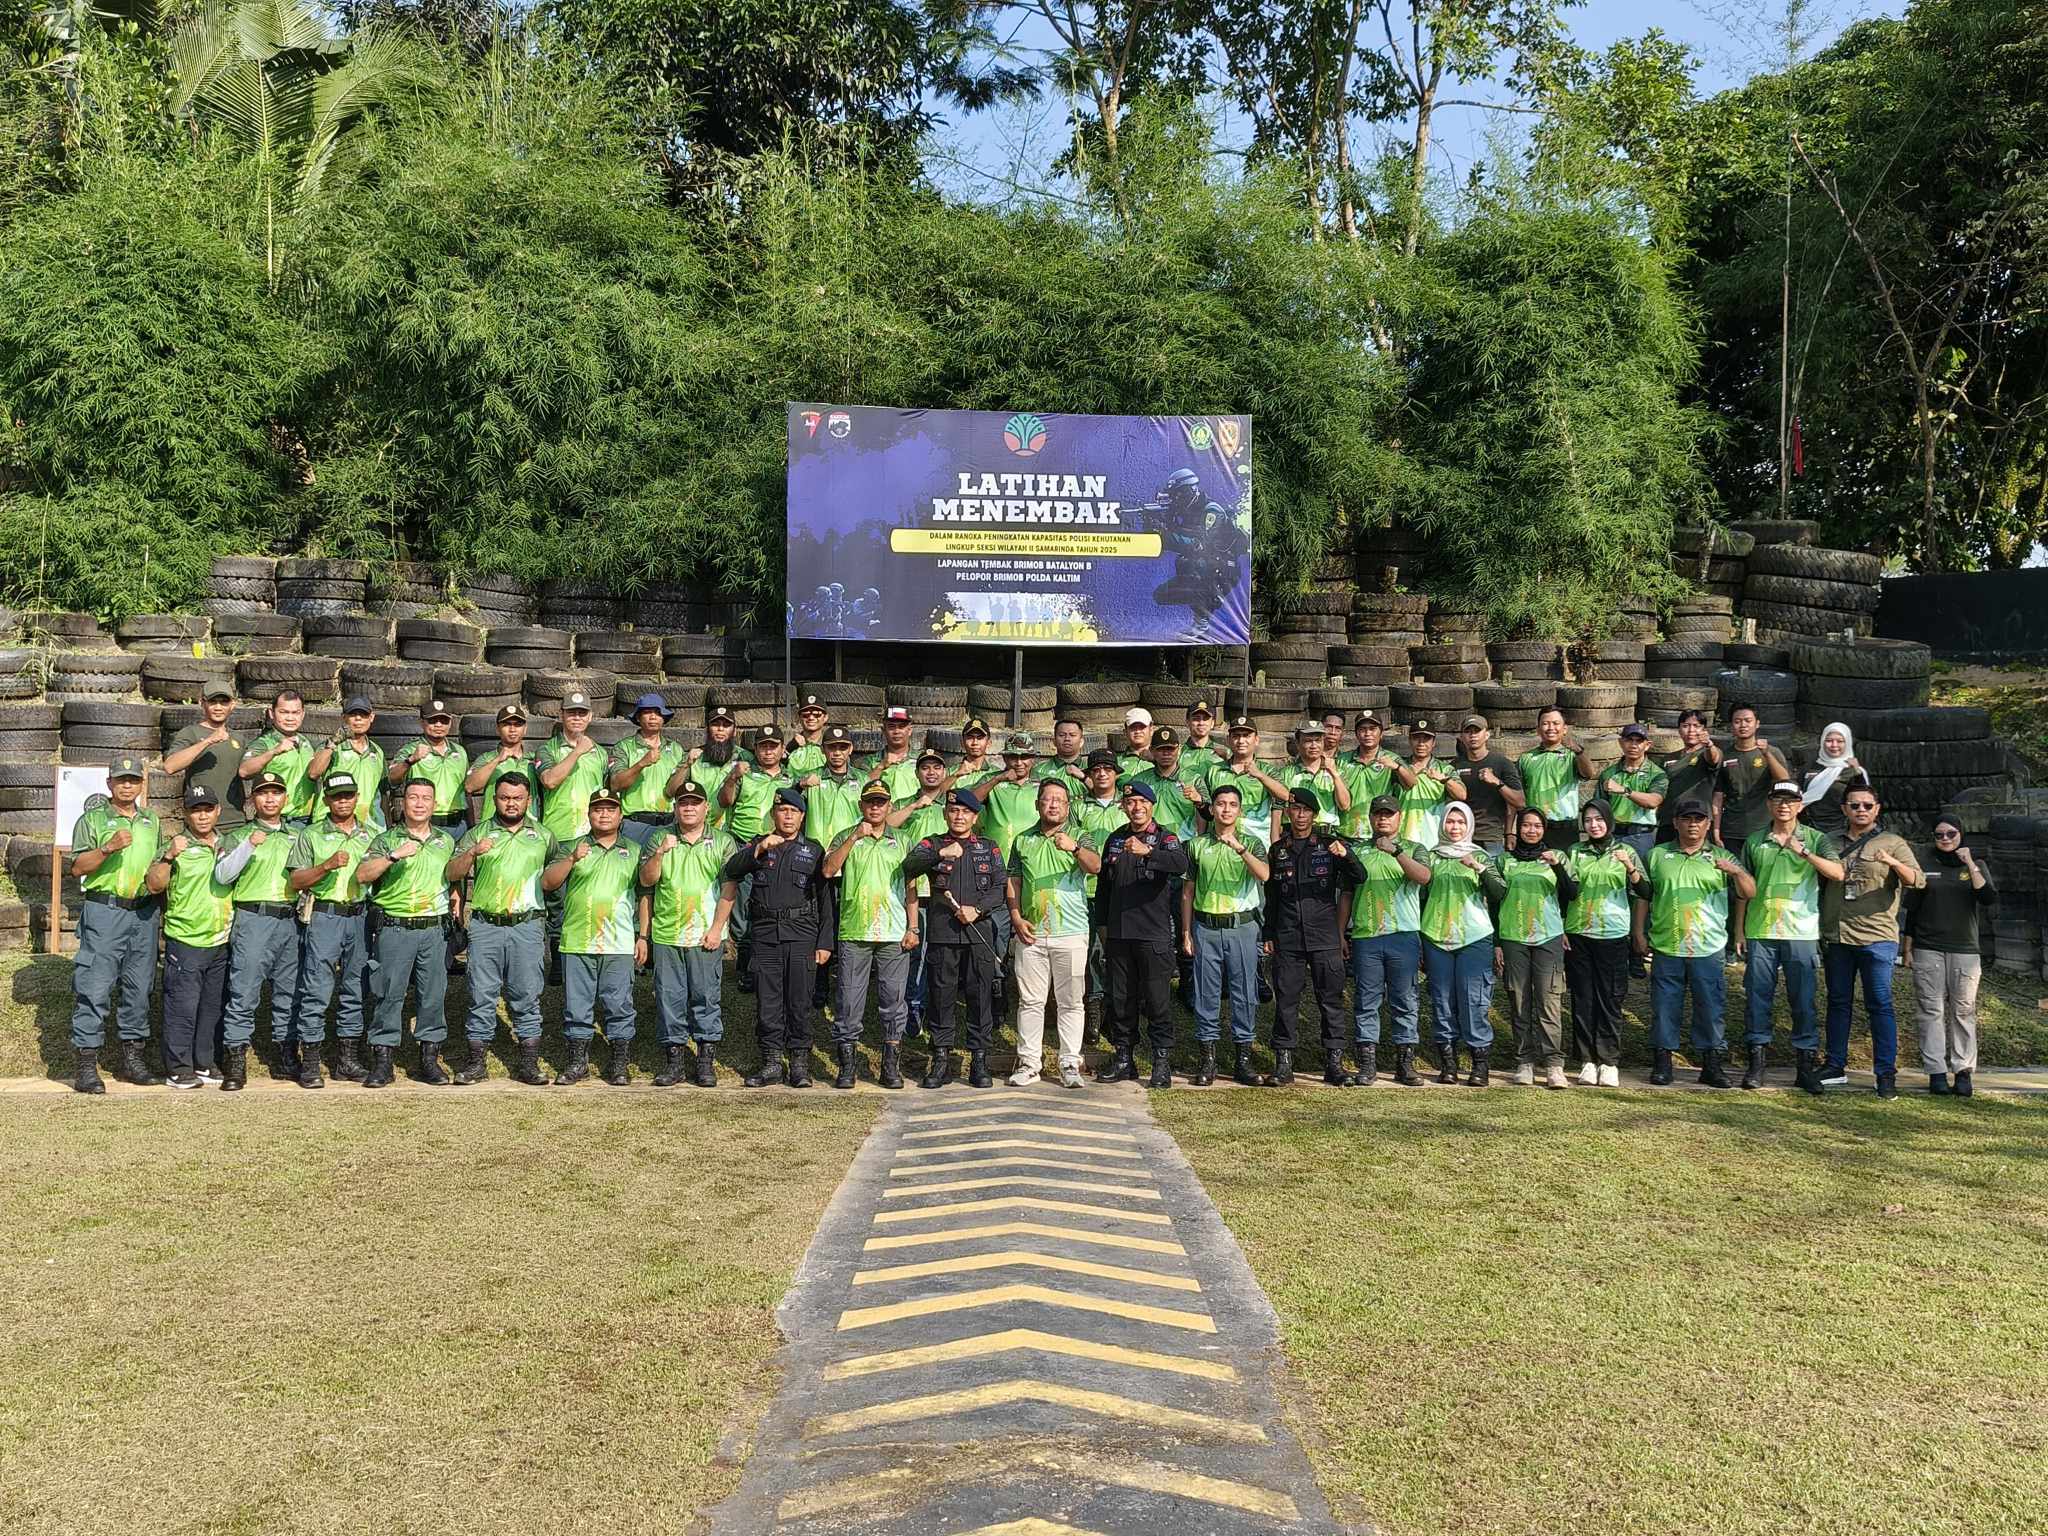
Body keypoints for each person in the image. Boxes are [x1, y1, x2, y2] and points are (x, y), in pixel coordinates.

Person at [445, 777, 560, 1086]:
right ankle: (476, 1064)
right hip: (486, 926)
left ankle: (528, 1064)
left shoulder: (544, 836)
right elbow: (451, 872)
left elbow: (555, 875)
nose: (511, 803)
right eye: (505, 797)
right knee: (480, 995)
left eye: (517, 798)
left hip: (527, 925)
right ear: (494, 799)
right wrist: (472, 853)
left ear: (528, 800)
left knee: (527, 995)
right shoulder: (478, 833)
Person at [1632, 797, 1753, 1088]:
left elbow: (1749, 892)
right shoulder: (1657, 855)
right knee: (1664, 1007)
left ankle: (1712, 1064)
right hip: (1667, 944)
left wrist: (1736, 872)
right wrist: (1638, 932)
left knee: (1711, 1007)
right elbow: (1643, 896)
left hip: (1707, 946)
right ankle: (1663, 1063)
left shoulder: (1721, 856)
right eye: (1686, 818)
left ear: (1708, 824)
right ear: (1675, 823)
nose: (1693, 824)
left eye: (1699, 819)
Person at [1733, 781, 1846, 1092]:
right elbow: (1743, 888)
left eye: (1791, 800)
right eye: (1778, 800)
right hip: (1761, 929)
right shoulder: (1755, 840)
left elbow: (1837, 873)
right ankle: (1756, 1064)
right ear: (1769, 804)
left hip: (1801, 931)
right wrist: (1739, 930)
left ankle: (1805, 1067)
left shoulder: (1816, 838)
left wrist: (1804, 852)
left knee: (1803, 1000)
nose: (1784, 806)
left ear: (1800, 805)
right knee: (1757, 998)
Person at [1817, 784, 1922, 1098]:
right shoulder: (1829, 841)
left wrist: (1893, 863)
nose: (1861, 810)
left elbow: (1917, 880)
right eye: (1854, 805)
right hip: (1838, 934)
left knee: (1880, 1004)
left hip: (1877, 937)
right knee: (1838, 1002)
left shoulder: (1893, 842)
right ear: (1844, 809)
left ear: (1877, 809)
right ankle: (1834, 1066)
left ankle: (1885, 1073)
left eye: (1867, 805)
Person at [66, 755, 164, 1092]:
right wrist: (107, 848)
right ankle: (86, 1065)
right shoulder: (92, 819)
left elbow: (157, 866)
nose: (127, 785)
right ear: (109, 783)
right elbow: (77, 867)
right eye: (121, 779)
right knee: (95, 988)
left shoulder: (151, 820)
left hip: (144, 913)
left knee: (139, 989)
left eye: (133, 780)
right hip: (105, 911)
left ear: (141, 785)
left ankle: (132, 1060)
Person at [355, 777, 459, 1087]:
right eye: (413, 797)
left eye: (426, 798)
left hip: (434, 929)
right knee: (388, 994)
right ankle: (383, 1062)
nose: (419, 803)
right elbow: (362, 875)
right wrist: (393, 856)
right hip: (396, 927)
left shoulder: (446, 841)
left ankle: (428, 1061)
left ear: (435, 804)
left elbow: (453, 879)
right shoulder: (386, 840)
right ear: (404, 802)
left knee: (433, 997)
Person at [902, 787, 1007, 1087]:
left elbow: (999, 887)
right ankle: (941, 1060)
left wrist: (978, 909)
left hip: (978, 933)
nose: (959, 816)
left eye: (965, 812)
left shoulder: (989, 847)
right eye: (953, 811)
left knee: (980, 997)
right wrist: (940, 854)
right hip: (943, 933)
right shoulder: (933, 843)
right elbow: (908, 866)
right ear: (945, 814)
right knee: (941, 997)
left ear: (975, 817)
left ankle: (979, 1060)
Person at [724, 787, 828, 1088]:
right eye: (782, 810)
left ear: (802, 816)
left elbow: (825, 900)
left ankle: (799, 1064)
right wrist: (757, 849)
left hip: (802, 934)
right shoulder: (760, 844)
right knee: (768, 1001)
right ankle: (770, 1063)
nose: (788, 816)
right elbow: (731, 869)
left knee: (799, 1000)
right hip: (766, 933)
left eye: (794, 811)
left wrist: (825, 942)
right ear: (773, 814)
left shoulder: (814, 850)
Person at [1264, 787, 1367, 1088]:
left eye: (1306, 810)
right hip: (1288, 936)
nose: (1300, 815)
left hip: (1324, 936)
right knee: (1286, 1000)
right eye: (1295, 809)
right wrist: (1268, 933)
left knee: (1330, 1000)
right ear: (1288, 812)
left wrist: (1347, 855)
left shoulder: (1328, 845)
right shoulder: (1278, 850)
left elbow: (1359, 877)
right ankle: (1283, 1063)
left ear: (1314, 814)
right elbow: (1271, 897)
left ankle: (1334, 1064)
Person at [539, 787, 643, 1085]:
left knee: (619, 1004)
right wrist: (572, 858)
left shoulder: (634, 850)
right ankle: (577, 1062)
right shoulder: (573, 846)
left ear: (621, 815)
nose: (604, 814)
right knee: (577, 1006)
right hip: (578, 939)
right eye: (598, 809)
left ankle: (619, 1063)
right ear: (589, 814)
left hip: (619, 941)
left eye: (610, 809)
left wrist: (642, 936)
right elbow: (547, 882)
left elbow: (645, 893)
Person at [1006, 777, 1104, 1088]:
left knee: (1071, 1001)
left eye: (1059, 800)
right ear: (1037, 804)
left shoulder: (1080, 835)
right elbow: (1014, 881)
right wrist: (1016, 917)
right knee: (1030, 1001)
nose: (1053, 805)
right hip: (1032, 933)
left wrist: (1074, 847)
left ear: (1068, 806)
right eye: (1047, 799)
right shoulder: (1023, 839)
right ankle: (1029, 1063)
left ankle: (1070, 1062)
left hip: (1071, 932)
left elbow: (1096, 866)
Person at [639, 782, 738, 1087]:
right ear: (675, 808)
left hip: (704, 934)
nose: (689, 808)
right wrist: (659, 853)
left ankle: (705, 1062)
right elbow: (646, 881)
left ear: (706, 808)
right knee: (669, 998)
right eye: (683, 803)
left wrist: (717, 929)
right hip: (667, 933)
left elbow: (729, 888)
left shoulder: (722, 841)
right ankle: (675, 1062)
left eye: (695, 803)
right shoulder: (659, 837)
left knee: (706, 996)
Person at [1095, 782, 1191, 1087]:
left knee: (1157, 1001)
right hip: (1120, 933)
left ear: (1151, 805)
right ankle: (1124, 1059)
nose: (1136, 807)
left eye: (1141, 801)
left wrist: (1148, 851)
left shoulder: (1165, 838)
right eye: (1130, 802)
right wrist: (1102, 926)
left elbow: (1180, 864)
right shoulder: (1115, 839)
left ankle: (1161, 1062)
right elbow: (1104, 887)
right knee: (1121, 1000)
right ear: (1124, 807)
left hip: (1153, 934)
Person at [285, 773, 377, 1088]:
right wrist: (325, 866)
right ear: (326, 800)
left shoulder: (372, 834)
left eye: (348, 795)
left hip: (360, 915)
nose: (343, 801)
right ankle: (311, 1062)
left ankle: (347, 1060)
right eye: (337, 796)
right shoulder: (310, 834)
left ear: (357, 798)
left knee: (355, 988)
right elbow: (296, 880)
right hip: (326, 915)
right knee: (316, 989)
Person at [823, 783, 918, 1088]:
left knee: (893, 1000)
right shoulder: (846, 835)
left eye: (881, 802)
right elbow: (828, 870)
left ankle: (890, 1067)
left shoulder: (903, 840)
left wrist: (913, 926)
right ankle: (847, 1067)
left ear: (889, 806)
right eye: (870, 802)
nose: (875, 807)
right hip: (855, 930)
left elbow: (912, 887)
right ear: (861, 806)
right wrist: (854, 837)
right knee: (849, 1000)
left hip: (893, 932)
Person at [214, 770, 302, 1088]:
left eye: (276, 792)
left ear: (285, 798)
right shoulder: (239, 835)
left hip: (290, 920)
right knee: (244, 991)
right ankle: (235, 1060)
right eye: (263, 792)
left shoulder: (297, 835)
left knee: (289, 992)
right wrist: (248, 846)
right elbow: (223, 875)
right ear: (253, 799)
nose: (270, 798)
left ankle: (286, 1056)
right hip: (254, 918)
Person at [145, 784, 234, 1089]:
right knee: (182, 1008)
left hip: (220, 940)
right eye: (196, 810)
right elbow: (154, 885)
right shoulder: (176, 846)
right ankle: (178, 1069)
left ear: (218, 811)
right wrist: (169, 857)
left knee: (211, 1008)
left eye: (208, 809)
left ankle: (204, 1063)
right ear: (185, 814)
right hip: (186, 940)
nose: (203, 816)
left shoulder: (228, 844)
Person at [1902, 814, 1994, 1096]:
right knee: (1931, 1009)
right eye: (1939, 835)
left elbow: (1988, 897)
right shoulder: (1924, 864)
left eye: (1951, 834)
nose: (1945, 839)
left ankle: (1963, 1071)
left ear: (1961, 834)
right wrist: (1907, 948)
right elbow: (1912, 910)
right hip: (1928, 947)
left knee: (1963, 1010)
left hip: (1964, 949)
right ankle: (1936, 1071)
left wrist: (1969, 863)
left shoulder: (1976, 865)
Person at [1344, 794, 1430, 1087]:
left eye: (1389, 814)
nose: (1383, 818)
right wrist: (1341, 932)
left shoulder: (1415, 848)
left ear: (1399, 817)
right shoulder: (1357, 851)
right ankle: (1367, 1064)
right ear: (1370, 818)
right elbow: (1346, 893)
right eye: (1378, 814)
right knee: (1366, 1001)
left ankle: (1405, 1063)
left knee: (1405, 999)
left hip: (1402, 935)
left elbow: (1423, 877)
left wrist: (1396, 852)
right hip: (1366, 936)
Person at [1419, 801, 1504, 1085]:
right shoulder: (1431, 856)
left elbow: (1499, 892)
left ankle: (1480, 1066)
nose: (1455, 827)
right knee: (1442, 1001)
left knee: (1473, 1000)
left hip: (1474, 937)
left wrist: (1478, 867)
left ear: (1469, 825)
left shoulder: (1480, 855)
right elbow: (1420, 899)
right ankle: (1448, 1064)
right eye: (1450, 821)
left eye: (1461, 822)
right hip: (1436, 936)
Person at [1495, 807, 1579, 1090]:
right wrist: (1497, 943)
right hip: (1513, 936)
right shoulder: (1504, 860)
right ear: (1518, 829)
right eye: (1526, 825)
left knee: (1549, 1001)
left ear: (1545, 829)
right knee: (1519, 1000)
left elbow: (1571, 893)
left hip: (1548, 937)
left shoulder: (1558, 857)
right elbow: (1494, 901)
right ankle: (1524, 1062)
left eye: (1537, 826)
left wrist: (1556, 865)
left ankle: (1554, 1064)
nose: (1531, 830)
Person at [1561, 799, 1642, 1088]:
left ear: (1609, 820)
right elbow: (1566, 892)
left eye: (1599, 819)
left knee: (1610, 999)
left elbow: (1645, 889)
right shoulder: (1575, 851)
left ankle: (1608, 1062)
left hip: (1613, 934)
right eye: (1588, 820)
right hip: (1579, 932)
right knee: (1583, 998)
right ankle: (1586, 1061)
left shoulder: (1626, 851)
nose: (1593, 825)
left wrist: (1629, 867)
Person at [720, 724, 795, 986]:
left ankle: (762, 967)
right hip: (745, 844)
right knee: (741, 910)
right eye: (763, 746)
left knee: (767, 905)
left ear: (782, 749)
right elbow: (725, 801)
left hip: (777, 846)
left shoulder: (791, 778)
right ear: (755, 749)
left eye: (773, 746)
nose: (768, 751)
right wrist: (732, 777)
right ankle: (744, 966)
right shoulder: (745, 774)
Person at [798, 723, 865, 1017]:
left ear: (850, 749)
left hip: (850, 863)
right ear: (823, 750)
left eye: (842, 747)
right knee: (821, 923)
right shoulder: (812, 778)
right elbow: (785, 801)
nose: (837, 753)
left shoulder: (861, 780)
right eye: (831, 748)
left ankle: (847, 986)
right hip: (817, 863)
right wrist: (800, 785)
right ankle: (820, 985)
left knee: (846, 924)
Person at [1071, 747, 1128, 1040]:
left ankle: (1118, 1009)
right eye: (1096, 770)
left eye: (1107, 769)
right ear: (1089, 775)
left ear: (1116, 773)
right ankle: (1093, 1009)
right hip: (1088, 889)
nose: (1102, 774)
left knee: (1120, 951)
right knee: (1092, 951)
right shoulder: (1079, 807)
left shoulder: (1128, 804)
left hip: (1123, 889)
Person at [162, 682, 246, 826]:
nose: (218, 707)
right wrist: (208, 741)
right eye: (213, 702)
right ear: (202, 703)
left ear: (232, 705)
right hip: (201, 821)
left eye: (224, 702)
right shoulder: (190, 733)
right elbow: (170, 766)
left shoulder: (239, 738)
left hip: (235, 819)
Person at [610, 693, 688, 846]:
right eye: (647, 712)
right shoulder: (624, 747)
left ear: (663, 718)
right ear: (638, 717)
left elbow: (673, 791)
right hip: (635, 824)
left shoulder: (676, 749)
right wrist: (641, 764)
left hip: (669, 822)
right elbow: (615, 785)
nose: (653, 717)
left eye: (658, 713)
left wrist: (687, 765)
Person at [387, 700, 469, 838]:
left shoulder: (460, 752)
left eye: (444, 721)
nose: (438, 725)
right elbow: (392, 778)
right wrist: (410, 760)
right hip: (424, 823)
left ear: (450, 723)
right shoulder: (410, 749)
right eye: (432, 720)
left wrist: (471, 823)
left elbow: (466, 790)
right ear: (421, 722)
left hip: (458, 825)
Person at [1518, 707, 1597, 851]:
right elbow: (1518, 795)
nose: (1550, 728)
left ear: (1564, 729)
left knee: (1564, 864)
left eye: (1556, 723)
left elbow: (1589, 774)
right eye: (1545, 723)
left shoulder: (1573, 755)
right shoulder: (1526, 758)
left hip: (1565, 827)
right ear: (1538, 729)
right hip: (1534, 827)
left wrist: (1578, 751)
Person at [1713, 705, 1790, 850]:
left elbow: (1785, 781)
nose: (1743, 725)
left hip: (1764, 828)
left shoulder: (1772, 752)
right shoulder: (1725, 755)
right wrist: (1716, 832)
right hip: (1731, 830)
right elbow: (1718, 797)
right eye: (1737, 721)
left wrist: (1766, 754)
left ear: (1757, 723)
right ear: (1731, 726)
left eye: (1748, 721)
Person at [536, 692, 608, 844]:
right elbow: (549, 781)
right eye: (571, 713)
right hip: (558, 832)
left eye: (582, 713)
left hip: (592, 834)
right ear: (561, 714)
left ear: (590, 716)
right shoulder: (547, 749)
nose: (577, 717)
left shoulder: (601, 753)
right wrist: (578, 751)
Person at [238, 690, 318, 822]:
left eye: (295, 713)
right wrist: (274, 751)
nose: (290, 718)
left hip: (307, 818)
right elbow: (244, 771)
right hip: (279, 819)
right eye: (284, 712)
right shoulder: (264, 743)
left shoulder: (305, 742)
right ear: (271, 713)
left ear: (303, 714)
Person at [310, 696, 387, 830]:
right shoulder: (331, 747)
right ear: (344, 717)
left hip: (369, 826)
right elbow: (313, 773)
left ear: (371, 717)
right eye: (353, 714)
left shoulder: (377, 751)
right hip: (331, 824)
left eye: (363, 714)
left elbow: (382, 791)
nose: (358, 719)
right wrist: (332, 744)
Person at [1449, 714, 1524, 853]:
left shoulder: (1502, 763)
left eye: (1477, 731)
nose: (1473, 735)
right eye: (1468, 731)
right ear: (1462, 737)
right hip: (1461, 836)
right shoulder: (1454, 766)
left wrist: (1497, 782)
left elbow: (1519, 802)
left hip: (1491, 838)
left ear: (1487, 734)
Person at [1597, 724, 1667, 865]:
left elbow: (1653, 801)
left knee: (1639, 876)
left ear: (1647, 745)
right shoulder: (1608, 774)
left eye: (1639, 741)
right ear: (1621, 742)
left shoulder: (1657, 774)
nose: (1633, 745)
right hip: (1613, 835)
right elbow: (1599, 807)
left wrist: (1624, 790)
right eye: (1629, 740)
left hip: (1641, 836)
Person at [1657, 710, 1722, 844]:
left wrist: (1709, 745)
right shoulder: (1668, 758)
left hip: (1697, 821)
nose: (1691, 730)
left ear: (1704, 730)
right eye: (1686, 726)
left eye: (1696, 726)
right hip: (1669, 821)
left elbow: (1713, 759)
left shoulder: (1707, 753)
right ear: (1679, 730)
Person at [465, 702, 538, 822]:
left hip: (528, 827)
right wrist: (497, 760)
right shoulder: (487, 758)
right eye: (506, 724)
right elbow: (469, 786)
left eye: (518, 725)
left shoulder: (534, 759)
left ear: (525, 729)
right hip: (494, 827)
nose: (512, 729)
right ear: (498, 729)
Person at [1277, 722, 1351, 834]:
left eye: (1318, 740)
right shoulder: (1286, 773)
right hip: (1295, 834)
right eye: (1308, 741)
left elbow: (1344, 805)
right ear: (1297, 743)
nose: (1314, 746)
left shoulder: (1337, 771)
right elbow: (1277, 809)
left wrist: (1334, 774)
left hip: (1326, 834)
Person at [1798, 722, 1869, 838]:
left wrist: (1857, 772)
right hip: (1807, 828)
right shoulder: (1810, 767)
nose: (1834, 745)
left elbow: (1864, 800)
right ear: (1822, 741)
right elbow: (1798, 794)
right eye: (1829, 740)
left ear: (1847, 743)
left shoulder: (1853, 771)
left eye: (1840, 741)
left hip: (1839, 831)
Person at [1397, 721, 1462, 846]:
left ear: (1434, 742)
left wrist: (1444, 779)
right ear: (1409, 740)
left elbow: (1462, 795)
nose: (1421, 743)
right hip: (1403, 836)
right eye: (1416, 738)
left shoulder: (1445, 769)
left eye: (1426, 739)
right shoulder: (1399, 767)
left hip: (1434, 837)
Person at [863, 706, 920, 800]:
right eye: (891, 727)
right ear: (884, 731)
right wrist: (880, 767)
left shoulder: (921, 759)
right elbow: (859, 789)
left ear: (909, 730)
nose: (896, 731)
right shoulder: (870, 761)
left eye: (901, 726)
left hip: (915, 809)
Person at [786, 694, 831, 779]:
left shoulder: (832, 744)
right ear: (799, 718)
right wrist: (791, 747)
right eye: (805, 715)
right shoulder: (792, 746)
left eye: (817, 714)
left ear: (825, 717)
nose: (811, 718)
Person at [1034, 719, 1089, 786]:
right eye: (1062, 735)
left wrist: (1085, 778)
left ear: (1081, 742)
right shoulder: (1039, 769)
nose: (1067, 739)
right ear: (1054, 741)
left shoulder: (1092, 768)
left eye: (1072, 735)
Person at [1180, 700, 1223, 781]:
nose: (1201, 723)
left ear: (1212, 723)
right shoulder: (1178, 752)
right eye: (1196, 719)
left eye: (1205, 719)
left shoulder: (1224, 753)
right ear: (1187, 722)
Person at [1117, 708, 1155, 779]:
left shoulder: (1163, 759)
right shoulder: (1116, 762)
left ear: (1151, 730)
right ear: (1125, 732)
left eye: (1142, 727)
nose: (1137, 731)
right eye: (1133, 727)